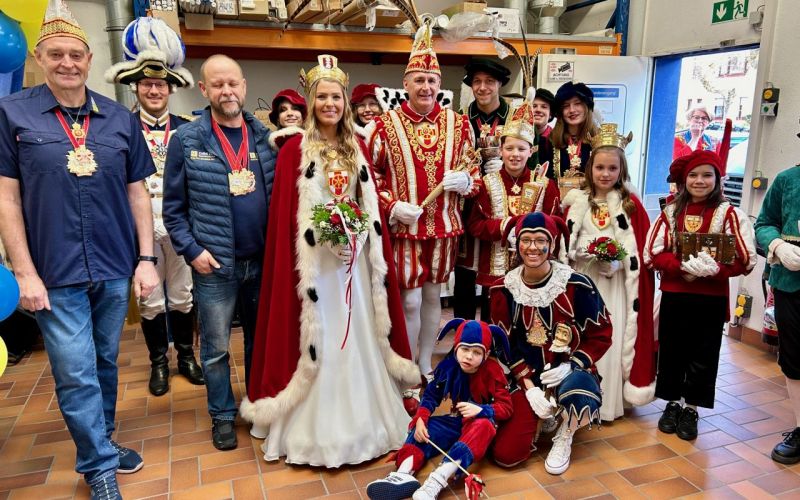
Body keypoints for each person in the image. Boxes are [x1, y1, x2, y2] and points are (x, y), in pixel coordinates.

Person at [0, 1, 160, 497]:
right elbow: (6, 198)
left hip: (113, 265)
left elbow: (137, 193)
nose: (67, 63)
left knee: (105, 361)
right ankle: (99, 468)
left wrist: (146, 260)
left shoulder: (118, 119)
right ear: (40, 58)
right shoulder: (12, 113)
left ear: (89, 60)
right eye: (56, 54)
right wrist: (24, 272)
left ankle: (102, 441)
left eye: (75, 54)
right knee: (75, 371)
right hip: (53, 270)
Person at [240, 55, 420, 467]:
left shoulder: (358, 147)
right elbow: (289, 214)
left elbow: (365, 203)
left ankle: (364, 421)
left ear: (345, 101)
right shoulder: (293, 150)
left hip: (352, 262)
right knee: (319, 332)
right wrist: (324, 236)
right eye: (321, 97)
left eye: (336, 97)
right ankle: (309, 424)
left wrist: (355, 234)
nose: (329, 104)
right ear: (310, 102)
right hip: (316, 266)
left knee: (357, 332)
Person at [162, 54, 276, 450]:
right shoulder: (186, 141)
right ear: (204, 89)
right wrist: (192, 251)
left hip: (262, 262)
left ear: (244, 86)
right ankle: (223, 415)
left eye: (232, 83)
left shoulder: (265, 139)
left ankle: (258, 406)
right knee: (214, 349)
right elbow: (173, 210)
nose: (226, 91)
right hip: (213, 266)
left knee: (260, 343)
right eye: (217, 84)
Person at [366, 23, 480, 382]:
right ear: (406, 83)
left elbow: (474, 172)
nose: (426, 87)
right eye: (419, 80)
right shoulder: (383, 125)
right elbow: (371, 176)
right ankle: (407, 363)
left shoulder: (460, 125)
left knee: (434, 298)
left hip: (445, 228)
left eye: (432, 80)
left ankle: (426, 362)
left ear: (439, 84)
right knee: (410, 300)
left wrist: (466, 182)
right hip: (406, 230)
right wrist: (391, 206)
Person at [105, 16, 204, 397]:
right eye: (146, 84)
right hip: (140, 232)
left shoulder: (187, 127)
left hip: (181, 229)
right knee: (150, 300)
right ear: (136, 87)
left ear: (170, 88)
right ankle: (158, 362)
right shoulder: (122, 127)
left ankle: (186, 357)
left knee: (182, 295)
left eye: (160, 84)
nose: (154, 90)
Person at [644, 140, 756, 441]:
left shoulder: (730, 214)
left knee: (704, 353)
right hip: (675, 294)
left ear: (718, 179)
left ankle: (691, 407)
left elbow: (745, 259)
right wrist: (680, 265)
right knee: (671, 350)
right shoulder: (670, 212)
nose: (699, 181)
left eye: (707, 175)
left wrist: (716, 269)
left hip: (710, 298)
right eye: (693, 175)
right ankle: (672, 403)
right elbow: (652, 253)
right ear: (684, 179)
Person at [489, 212, 612, 474]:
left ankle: (565, 434)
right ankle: (541, 413)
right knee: (506, 455)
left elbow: (601, 334)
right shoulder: (503, 290)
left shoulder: (577, 285)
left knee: (580, 394)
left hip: (569, 372)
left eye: (540, 240)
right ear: (517, 244)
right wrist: (529, 387)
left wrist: (572, 365)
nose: (532, 247)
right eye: (526, 240)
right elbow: (503, 345)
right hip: (527, 377)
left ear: (552, 244)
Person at [561, 123, 656, 421]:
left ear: (621, 170)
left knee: (609, 338)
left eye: (612, 168)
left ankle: (607, 403)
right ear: (590, 168)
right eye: (600, 167)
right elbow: (564, 243)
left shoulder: (631, 205)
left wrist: (617, 260)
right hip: (582, 280)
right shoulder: (576, 202)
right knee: (582, 335)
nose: (605, 174)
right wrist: (584, 250)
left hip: (614, 285)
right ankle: (576, 395)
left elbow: (640, 251)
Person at [366, 319, 512, 500]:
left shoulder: (493, 371)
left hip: (480, 426)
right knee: (425, 426)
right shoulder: (449, 366)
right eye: (465, 349)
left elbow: (506, 407)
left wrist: (481, 410)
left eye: (476, 352)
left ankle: (438, 478)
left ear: (486, 354)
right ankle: (403, 473)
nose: (469, 356)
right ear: (456, 347)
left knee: (484, 426)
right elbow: (430, 396)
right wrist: (421, 418)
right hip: (457, 422)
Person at [468, 97, 560, 321]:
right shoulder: (486, 183)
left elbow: (556, 225)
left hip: (535, 270)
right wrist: (505, 227)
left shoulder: (546, 185)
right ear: (500, 150)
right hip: (495, 269)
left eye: (521, 148)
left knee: (530, 323)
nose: (515, 154)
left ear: (531, 151)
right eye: (509, 148)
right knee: (493, 323)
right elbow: (475, 225)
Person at [455, 58, 512, 323]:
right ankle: (464, 332)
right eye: (477, 81)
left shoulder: (515, 118)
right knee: (465, 272)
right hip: (467, 205)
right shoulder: (460, 119)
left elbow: (530, 160)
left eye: (489, 81)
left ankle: (493, 332)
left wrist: (506, 168)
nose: (482, 87)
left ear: (499, 84)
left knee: (497, 270)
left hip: (503, 204)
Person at [755, 160, 800, 463]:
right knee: (795, 359)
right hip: (791, 285)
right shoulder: (787, 179)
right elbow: (764, 223)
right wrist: (778, 246)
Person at [543, 81, 599, 199]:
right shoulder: (550, 141)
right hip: (559, 204)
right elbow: (545, 180)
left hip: (592, 204)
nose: (572, 110)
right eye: (566, 106)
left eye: (577, 103)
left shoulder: (600, 140)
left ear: (587, 107)